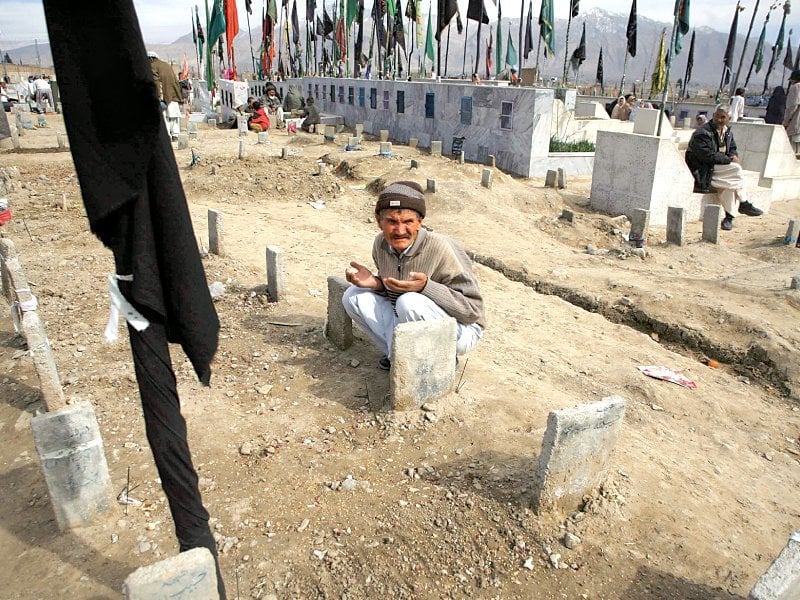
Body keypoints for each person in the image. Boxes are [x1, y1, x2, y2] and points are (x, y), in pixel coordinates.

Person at [342, 181, 485, 369]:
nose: (400, 231)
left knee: (409, 302)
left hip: (462, 330)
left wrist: (425, 287)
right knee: (353, 296)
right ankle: (399, 355)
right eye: (392, 221)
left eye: (408, 221)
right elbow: (395, 293)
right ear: (379, 222)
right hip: (412, 315)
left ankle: (441, 359)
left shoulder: (440, 247)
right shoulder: (381, 245)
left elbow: (472, 312)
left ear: (420, 222)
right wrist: (376, 284)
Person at [685, 105, 764, 231]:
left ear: (729, 118)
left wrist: (732, 155)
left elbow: (732, 148)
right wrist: (729, 159)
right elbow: (707, 156)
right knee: (737, 170)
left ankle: (729, 217)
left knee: (728, 185)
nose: (719, 120)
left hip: (719, 170)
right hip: (704, 171)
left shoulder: (727, 132)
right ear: (713, 115)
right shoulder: (702, 133)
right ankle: (743, 203)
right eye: (717, 116)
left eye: (723, 117)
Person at [148, 51, 182, 141]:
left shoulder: (153, 66)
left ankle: (167, 136)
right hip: (173, 95)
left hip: (163, 97)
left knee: (165, 117)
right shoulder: (166, 65)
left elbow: (156, 82)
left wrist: (157, 96)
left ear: (151, 58)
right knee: (174, 117)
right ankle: (175, 134)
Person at [784, 69, 800, 154]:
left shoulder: (796, 87)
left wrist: (786, 121)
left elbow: (792, 106)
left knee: (792, 151)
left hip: (795, 123)